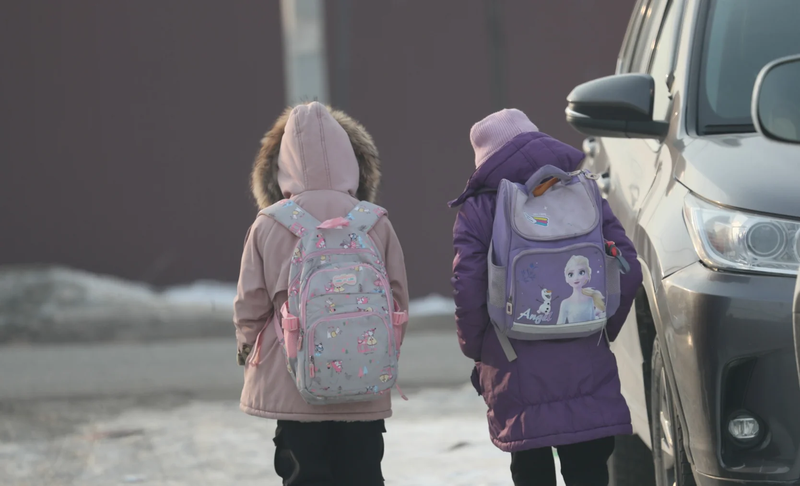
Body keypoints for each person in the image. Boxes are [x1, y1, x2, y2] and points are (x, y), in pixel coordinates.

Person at [449, 109, 643, 486]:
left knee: (531, 469)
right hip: (586, 360)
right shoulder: (582, 191)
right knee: (589, 470)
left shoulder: (480, 208)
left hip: (513, 362)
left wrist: (478, 348)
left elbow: (467, 286)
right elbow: (628, 267)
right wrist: (601, 325)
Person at [234, 102, 409, 486]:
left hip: (294, 383)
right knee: (363, 475)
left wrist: (247, 349)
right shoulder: (374, 220)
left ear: (280, 165)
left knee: (305, 476)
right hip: (363, 381)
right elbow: (397, 300)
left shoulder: (269, 224)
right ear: (353, 159)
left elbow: (251, 304)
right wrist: (380, 350)